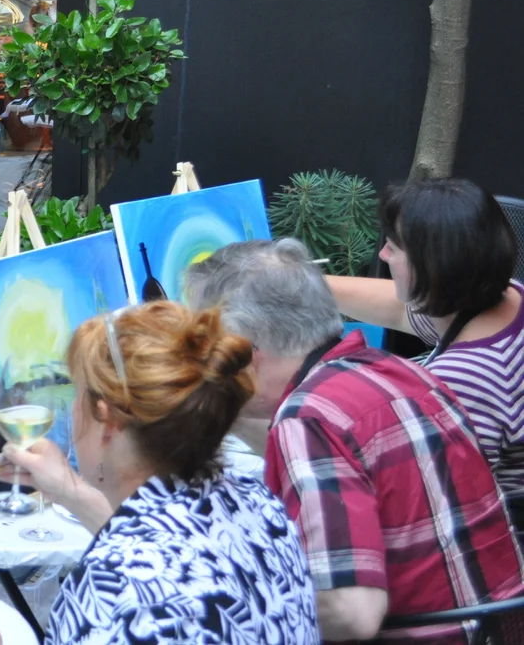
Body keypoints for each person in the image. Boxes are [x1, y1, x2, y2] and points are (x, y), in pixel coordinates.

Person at [186, 238, 524, 642]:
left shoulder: (308, 418)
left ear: (243, 351)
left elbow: (351, 614)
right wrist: (229, 408)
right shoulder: (396, 371)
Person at [0, 300, 320, 645]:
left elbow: (145, 573)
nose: (70, 410)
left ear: (106, 420)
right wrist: (69, 489)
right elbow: (165, 546)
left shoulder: (118, 592)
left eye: (77, 393)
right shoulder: (259, 504)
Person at [327, 179, 524, 505]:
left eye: (393, 247)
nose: (382, 254)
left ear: (433, 266)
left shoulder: (462, 379)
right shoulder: (510, 295)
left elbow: (440, 500)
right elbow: (399, 310)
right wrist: (301, 283)